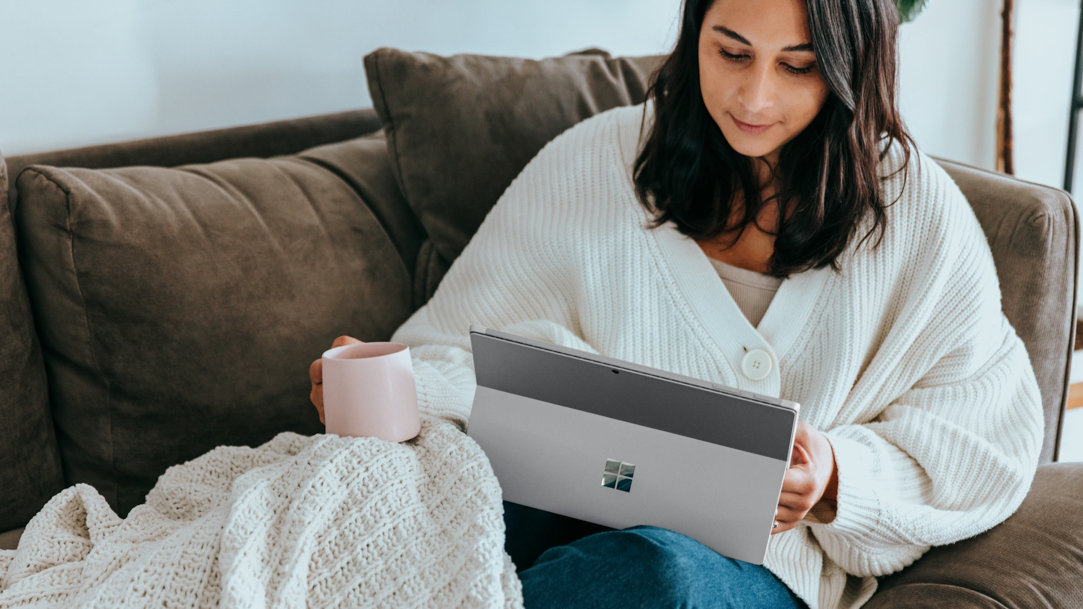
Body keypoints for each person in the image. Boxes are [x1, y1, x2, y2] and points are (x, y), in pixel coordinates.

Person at [309, 0, 1044, 607]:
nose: (755, 97)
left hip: (754, 566)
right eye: (729, 52)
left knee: (656, 574)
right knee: (434, 503)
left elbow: (985, 435)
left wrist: (834, 476)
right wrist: (388, 381)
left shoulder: (912, 211)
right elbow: (458, 348)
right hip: (563, 502)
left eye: (796, 66)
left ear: (852, 68)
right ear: (694, 36)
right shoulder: (596, 160)